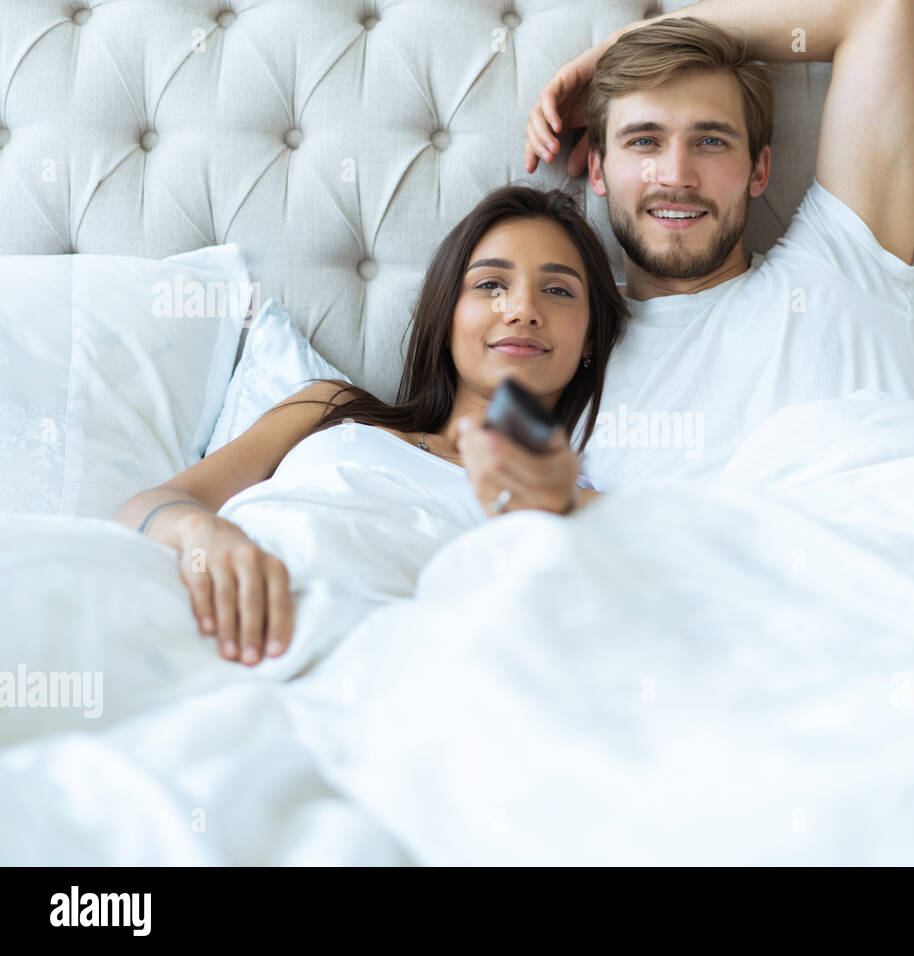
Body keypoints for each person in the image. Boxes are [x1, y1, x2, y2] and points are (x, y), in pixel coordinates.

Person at [112, 185, 629, 666]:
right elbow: (141, 511)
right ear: (447, 316)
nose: (522, 309)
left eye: (559, 290)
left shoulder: (576, 506)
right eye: (491, 284)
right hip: (203, 610)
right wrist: (204, 532)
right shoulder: (327, 407)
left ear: (589, 339)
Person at [521, 4, 914, 493]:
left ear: (758, 169)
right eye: (644, 141)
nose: (677, 176)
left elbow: (876, 10)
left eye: (710, 141)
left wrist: (624, 42)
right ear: (597, 170)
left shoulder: (844, 265)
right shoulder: (562, 355)